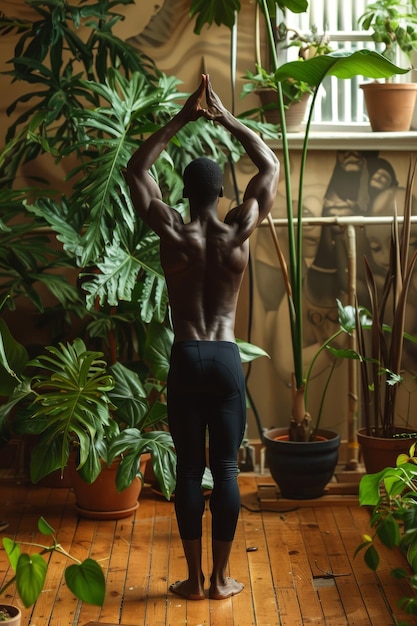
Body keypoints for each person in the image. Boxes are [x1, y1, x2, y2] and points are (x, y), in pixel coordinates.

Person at [124, 74, 279, 601]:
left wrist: (183, 118)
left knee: (190, 469)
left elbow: (136, 169)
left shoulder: (171, 229)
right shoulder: (240, 228)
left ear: (186, 193)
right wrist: (226, 117)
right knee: (228, 468)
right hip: (226, 354)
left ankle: (191, 580)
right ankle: (220, 580)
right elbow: (271, 166)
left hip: (186, 353)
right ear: (220, 193)